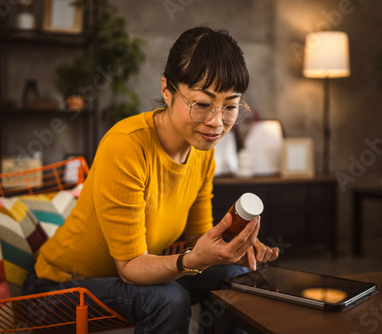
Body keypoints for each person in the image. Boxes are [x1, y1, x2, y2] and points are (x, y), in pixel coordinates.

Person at [22, 26, 279, 333]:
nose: (216, 122)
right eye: (201, 104)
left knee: (236, 275)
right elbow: (130, 268)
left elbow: (197, 237)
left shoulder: (202, 151)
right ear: (166, 91)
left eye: (230, 106)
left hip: (120, 278)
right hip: (55, 289)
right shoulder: (126, 145)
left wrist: (232, 245)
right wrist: (194, 259)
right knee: (167, 299)